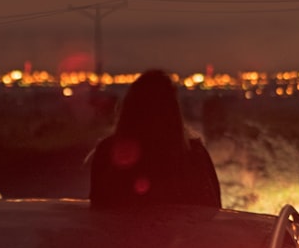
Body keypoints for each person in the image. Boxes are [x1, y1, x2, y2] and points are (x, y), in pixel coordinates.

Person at [88, 69, 221, 209]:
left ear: (130, 107)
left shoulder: (108, 153)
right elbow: (211, 211)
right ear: (173, 111)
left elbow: (99, 212)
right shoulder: (193, 156)